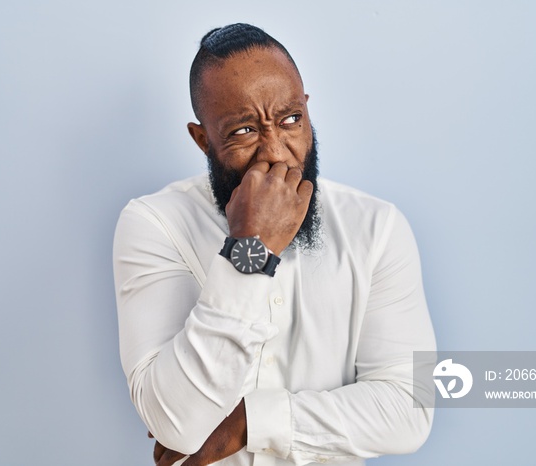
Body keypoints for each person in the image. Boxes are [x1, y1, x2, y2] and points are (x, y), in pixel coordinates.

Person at [113, 23, 436, 466]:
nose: (278, 152)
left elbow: (412, 407)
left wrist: (251, 422)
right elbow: (175, 422)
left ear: (307, 109)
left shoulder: (377, 228)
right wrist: (251, 249)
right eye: (244, 131)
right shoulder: (154, 224)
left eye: (290, 120)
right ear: (203, 139)